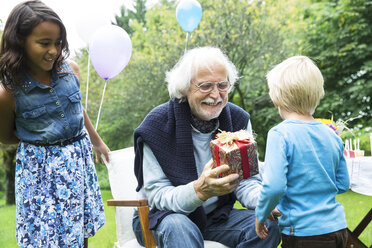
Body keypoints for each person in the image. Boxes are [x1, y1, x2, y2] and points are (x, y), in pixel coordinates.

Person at [133, 46, 280, 248]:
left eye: (222, 85)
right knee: (179, 227)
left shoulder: (238, 120)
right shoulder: (156, 126)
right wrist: (200, 191)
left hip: (215, 217)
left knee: (269, 225)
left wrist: (264, 203)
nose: (216, 95)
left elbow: (247, 180)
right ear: (185, 87)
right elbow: (158, 197)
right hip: (164, 218)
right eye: (205, 86)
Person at [0, 1, 108, 247]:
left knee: (79, 230)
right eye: (44, 43)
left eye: (58, 43)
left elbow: (76, 111)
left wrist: (97, 143)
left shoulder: (71, 70)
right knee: (47, 238)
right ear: (20, 41)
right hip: (40, 172)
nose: (53, 50)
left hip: (77, 162)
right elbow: (6, 135)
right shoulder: (8, 92)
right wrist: (44, 144)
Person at [255, 56, 349, 248]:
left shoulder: (279, 134)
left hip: (303, 233)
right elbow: (342, 184)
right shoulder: (332, 135)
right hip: (338, 229)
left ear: (275, 99)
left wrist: (260, 215)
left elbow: (274, 187)